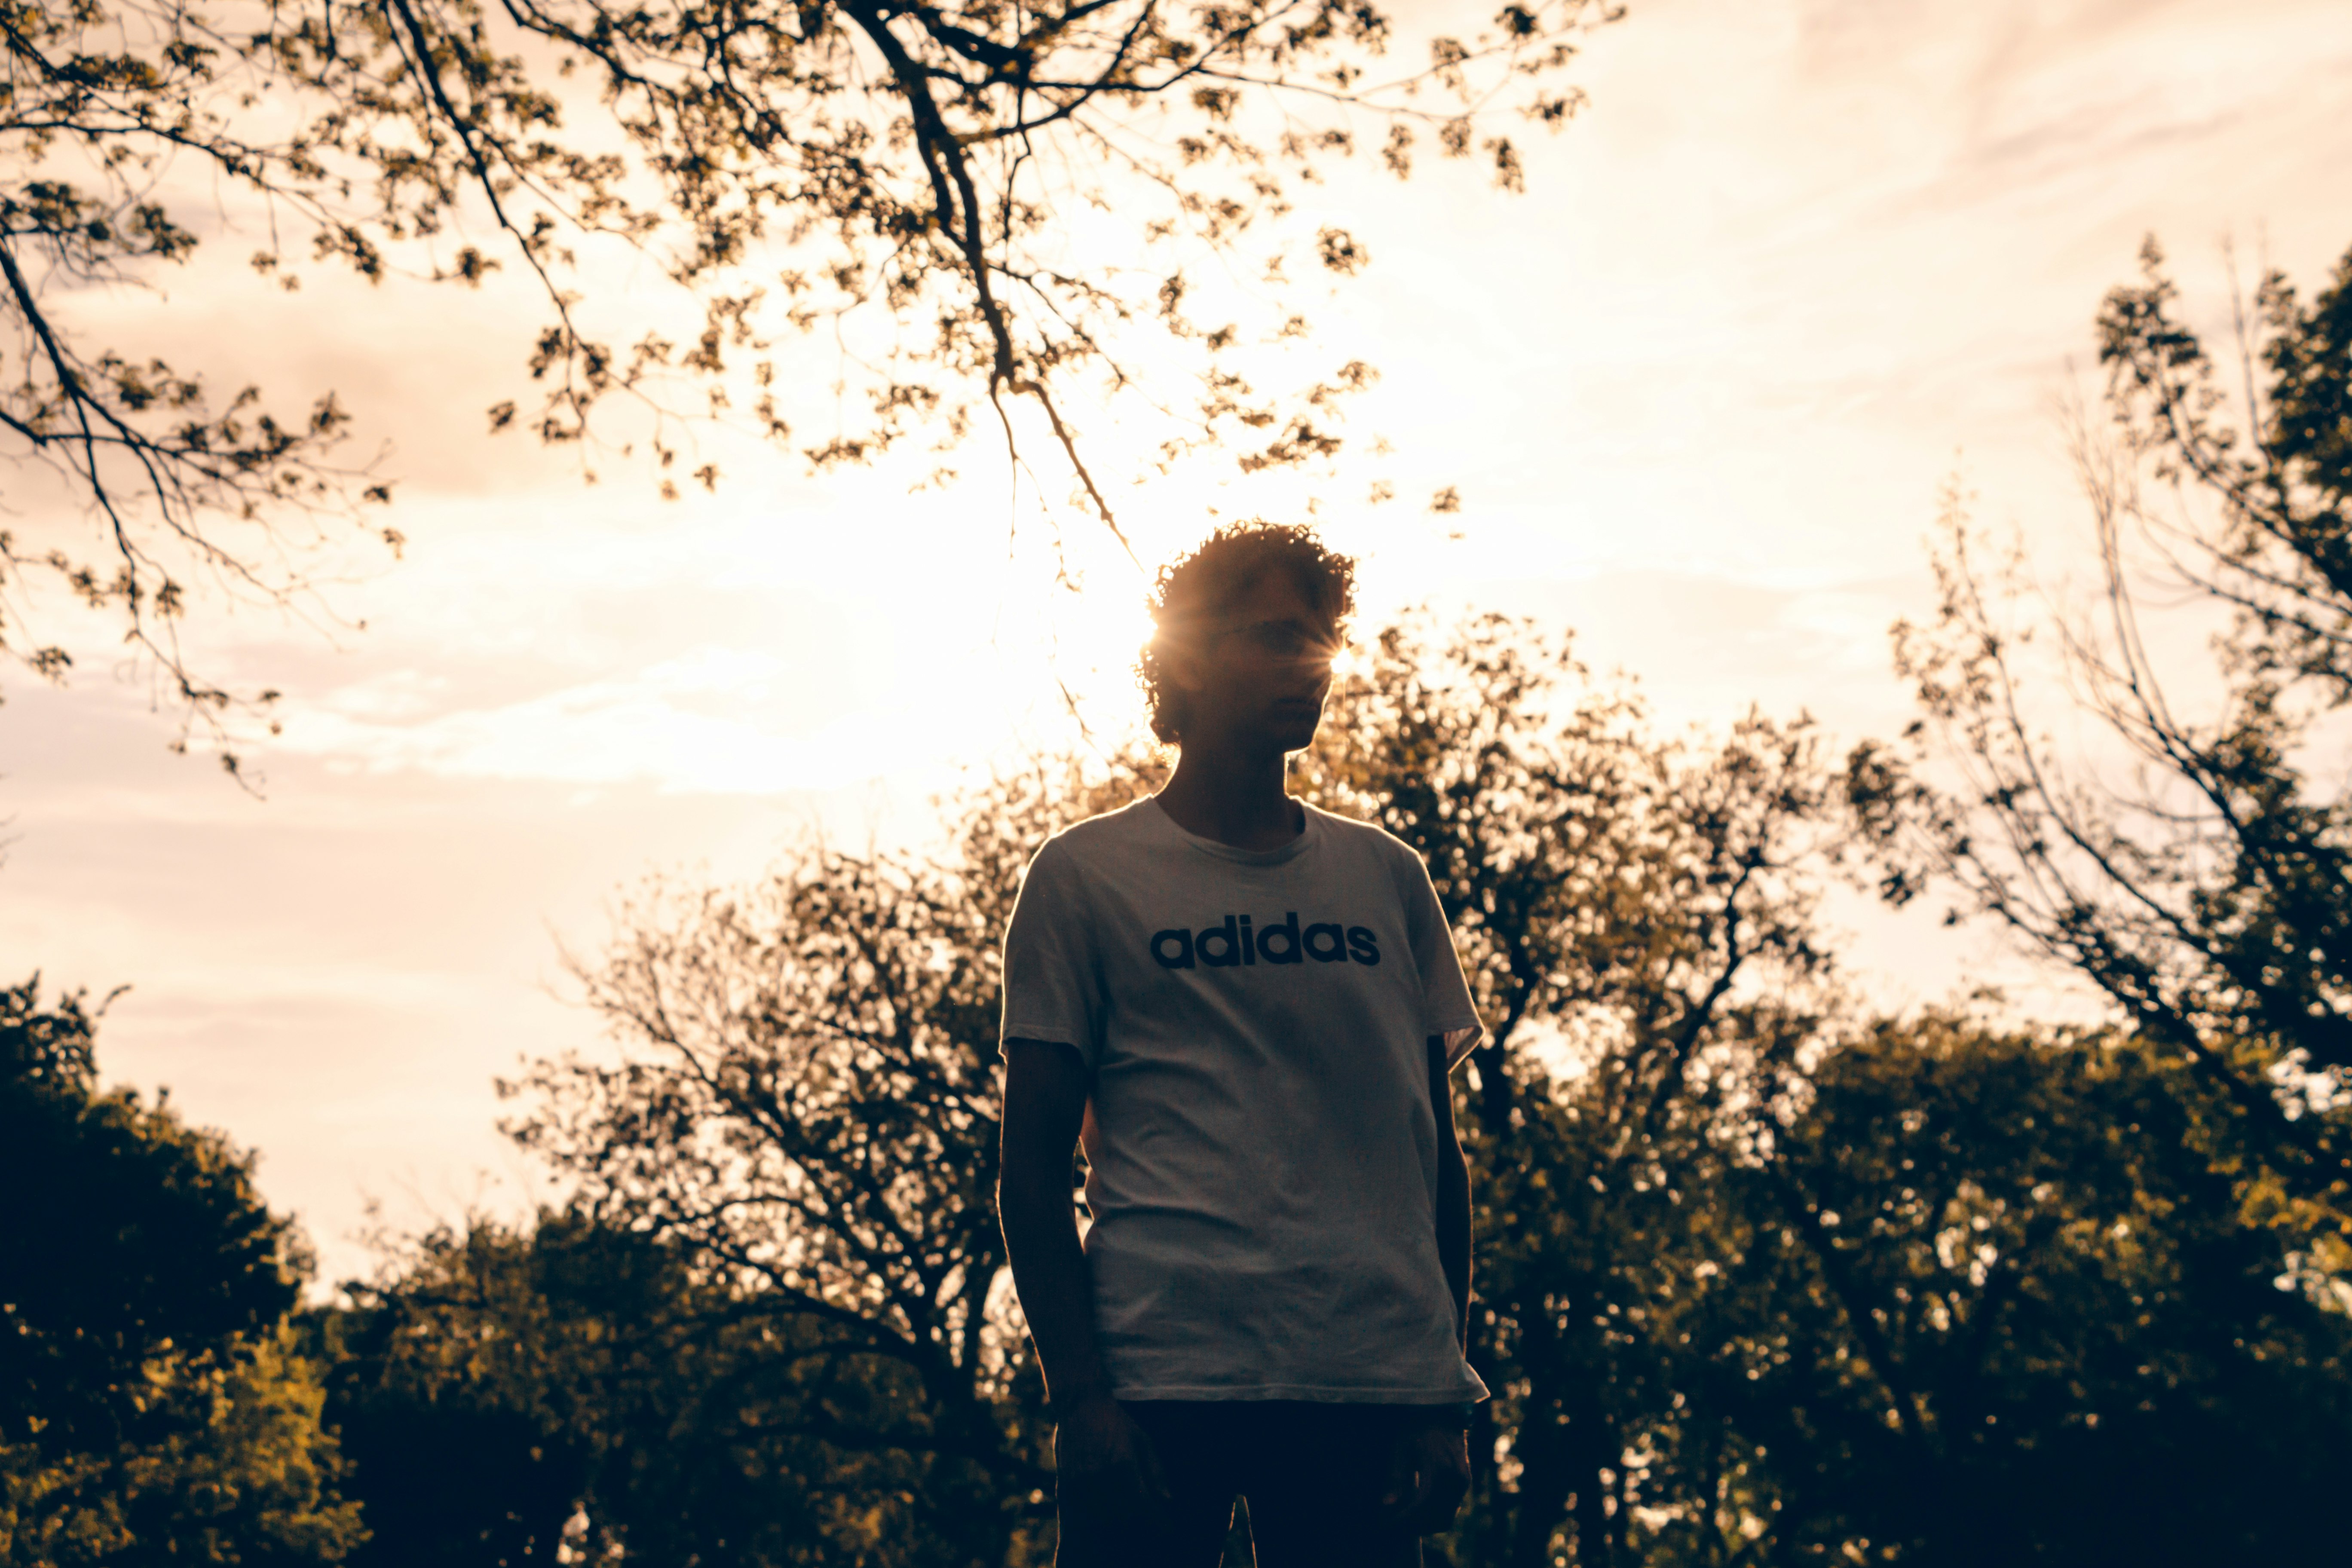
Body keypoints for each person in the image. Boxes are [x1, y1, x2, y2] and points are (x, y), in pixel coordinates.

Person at [997, 521, 1488, 1568]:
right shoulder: (1085, 877)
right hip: (1157, 1390)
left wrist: (1441, 1393)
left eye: (1318, 643)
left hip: (1363, 1392)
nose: (1306, 666)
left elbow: (1436, 1159)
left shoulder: (1388, 878)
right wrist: (1081, 1400)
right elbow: (1031, 1170)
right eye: (1272, 637)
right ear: (1185, 658)